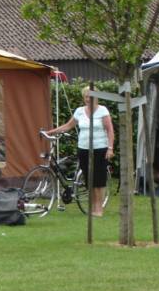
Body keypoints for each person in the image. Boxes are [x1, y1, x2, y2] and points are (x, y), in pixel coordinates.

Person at [45, 86, 114, 217]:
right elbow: (68, 126)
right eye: (86, 96)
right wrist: (51, 132)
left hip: (100, 148)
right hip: (83, 149)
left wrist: (110, 148)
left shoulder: (103, 111)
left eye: (91, 96)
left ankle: (99, 209)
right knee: (89, 180)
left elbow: (110, 130)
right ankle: (93, 207)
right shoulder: (79, 111)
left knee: (98, 180)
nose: (88, 99)